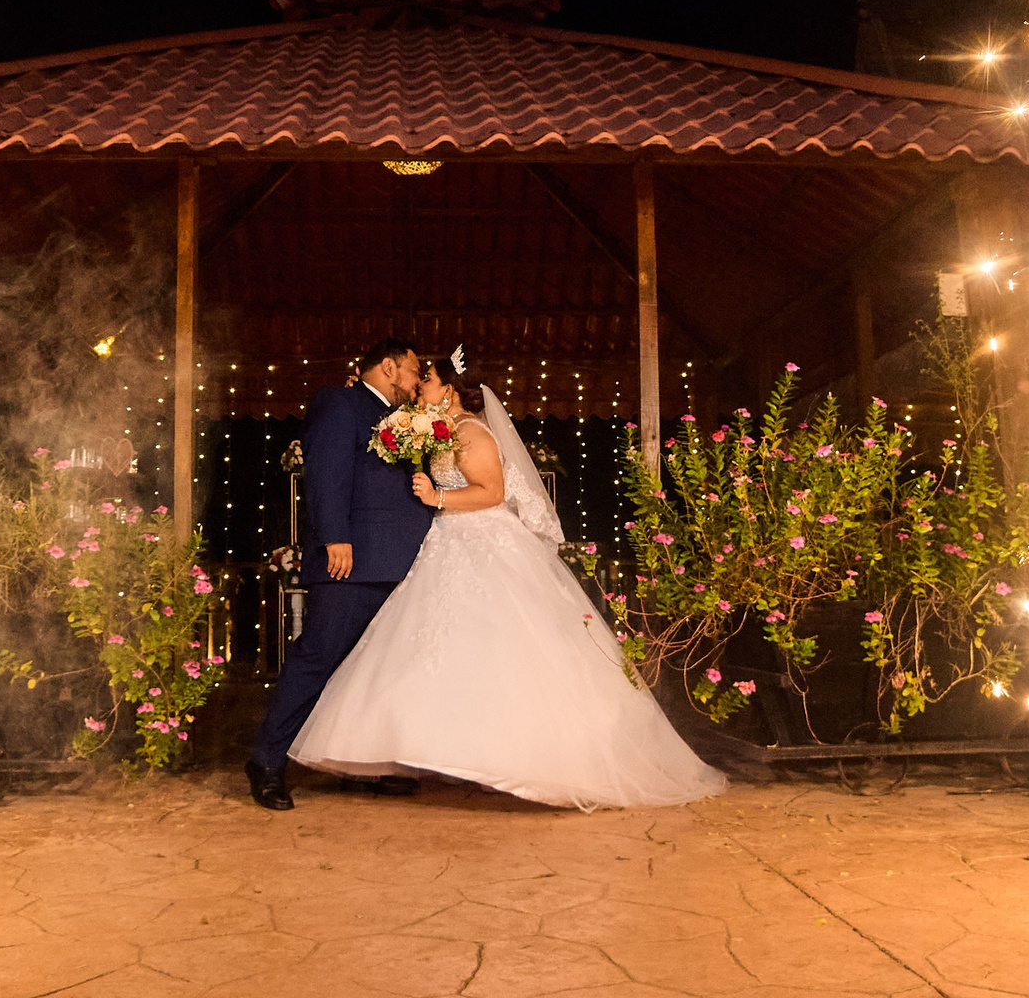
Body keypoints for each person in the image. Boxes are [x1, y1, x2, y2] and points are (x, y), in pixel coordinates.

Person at [290, 349, 728, 811]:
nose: (420, 387)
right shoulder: (442, 433)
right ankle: (456, 754)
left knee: (503, 647)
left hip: (480, 542)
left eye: (429, 380)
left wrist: (437, 495)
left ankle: (525, 758)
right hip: (447, 543)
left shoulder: (472, 432)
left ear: (451, 390)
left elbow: (493, 494)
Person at [246, 338, 433, 810]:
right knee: (319, 657)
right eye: (413, 372)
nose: (416, 383)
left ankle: (361, 766)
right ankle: (267, 761)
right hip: (352, 559)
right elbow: (326, 471)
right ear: (389, 368)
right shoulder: (341, 402)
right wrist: (335, 538)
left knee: (373, 670)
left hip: (402, 563)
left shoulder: (409, 420)